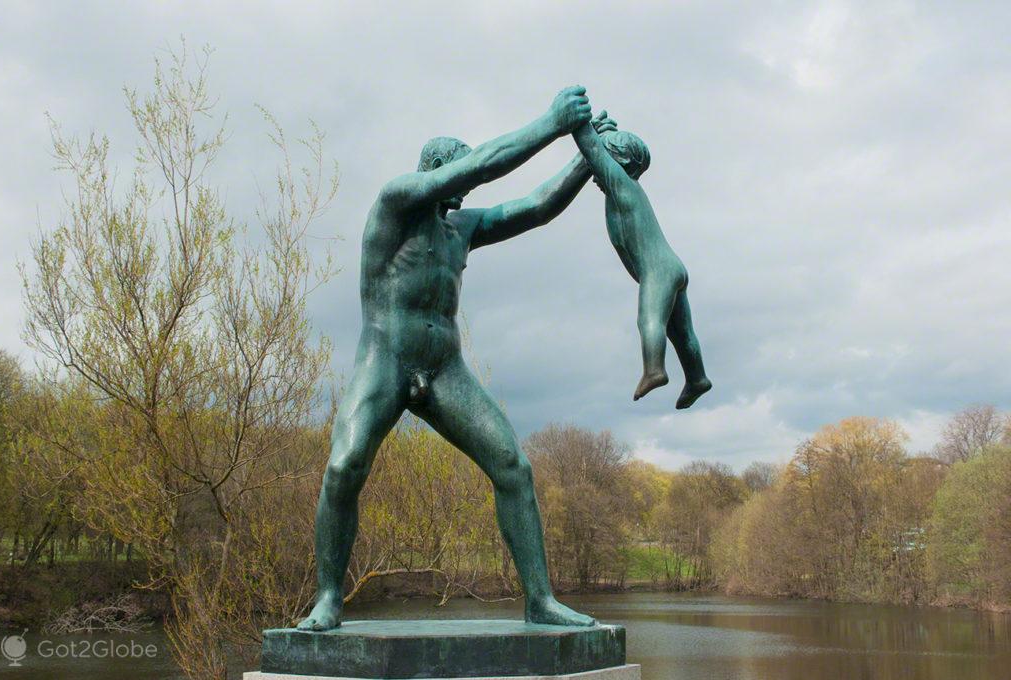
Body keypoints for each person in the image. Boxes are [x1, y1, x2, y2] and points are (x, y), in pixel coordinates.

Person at [299, 87, 603, 631]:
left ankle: (541, 600)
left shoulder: (460, 229)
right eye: (458, 169)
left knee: (513, 466)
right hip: (386, 359)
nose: (466, 181)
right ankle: (327, 598)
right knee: (344, 467)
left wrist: (589, 158)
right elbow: (484, 166)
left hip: (445, 369)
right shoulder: (397, 200)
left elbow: (534, 208)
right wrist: (552, 122)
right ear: (437, 169)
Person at [572, 112, 712, 407]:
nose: (595, 173)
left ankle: (654, 370)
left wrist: (578, 122)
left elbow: (592, 150)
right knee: (680, 331)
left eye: (601, 166)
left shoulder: (621, 186)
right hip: (672, 267)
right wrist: (605, 130)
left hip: (657, 271)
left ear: (619, 163)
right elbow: (598, 152)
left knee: (649, 319)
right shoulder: (628, 190)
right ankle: (697, 378)